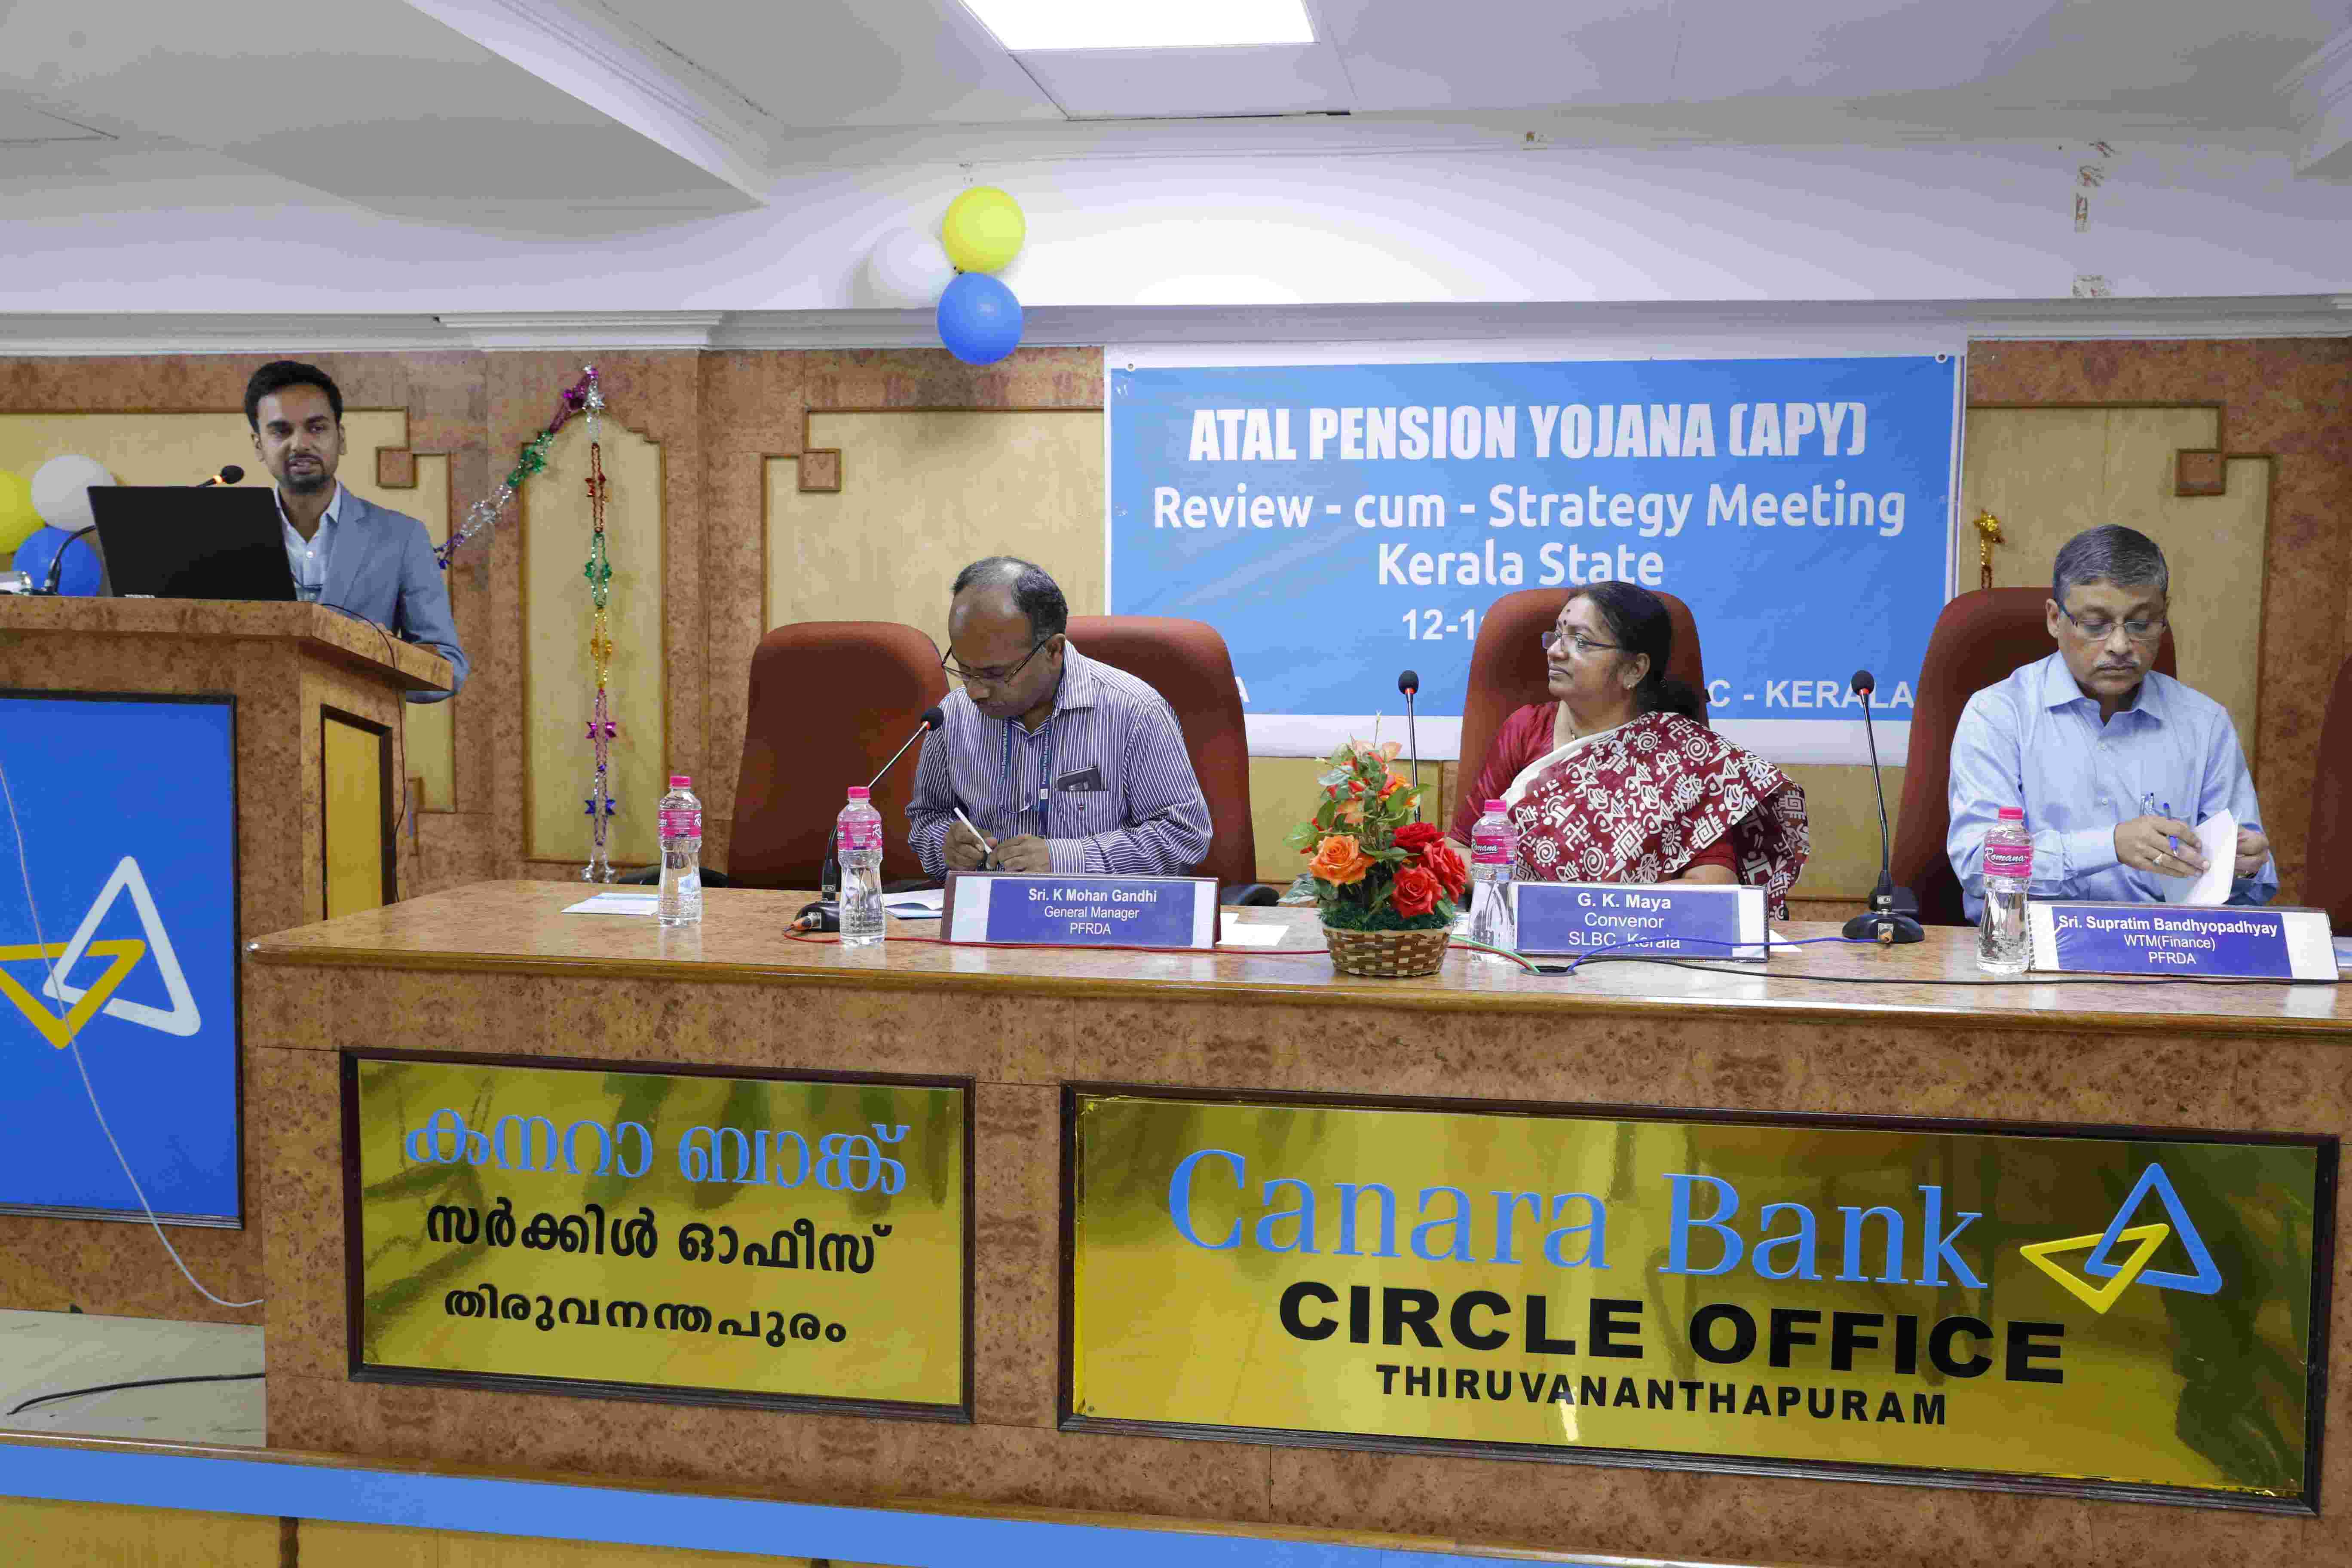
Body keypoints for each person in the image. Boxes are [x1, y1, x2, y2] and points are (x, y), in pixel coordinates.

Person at [1947, 524, 2273, 918]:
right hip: (2023, 941)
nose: (2120, 646)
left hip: (2162, 942)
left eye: (2141, 624)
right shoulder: (1998, 715)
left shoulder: (2204, 724)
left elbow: (2251, 889)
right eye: (2095, 625)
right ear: (2055, 619)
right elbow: (1979, 865)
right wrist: (2111, 846)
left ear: (2163, 619)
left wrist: (2244, 869)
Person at [1450, 582, 1809, 917]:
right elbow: (1458, 849)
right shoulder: (1527, 728)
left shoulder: (1684, 755)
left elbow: (1715, 886)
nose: (1555, 651)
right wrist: (1536, 905)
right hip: (1524, 933)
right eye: (1557, 635)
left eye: (1581, 642)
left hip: (1643, 944)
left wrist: (1599, 910)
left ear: (1634, 669)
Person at [908, 557, 1211, 878]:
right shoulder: (953, 716)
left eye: (995, 674)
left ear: (1053, 651)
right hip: (986, 904)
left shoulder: (1134, 711)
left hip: (1092, 906)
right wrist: (946, 846)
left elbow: (1184, 835)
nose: (975, 691)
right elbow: (927, 818)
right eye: (964, 670)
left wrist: (1066, 859)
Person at [245, 361, 467, 701]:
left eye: (316, 428)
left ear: (341, 438)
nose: (300, 444)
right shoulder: (225, 535)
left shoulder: (401, 537)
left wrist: (380, 653)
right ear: (259, 445)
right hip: (244, 723)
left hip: (354, 729)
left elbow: (450, 668)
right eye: (281, 431)